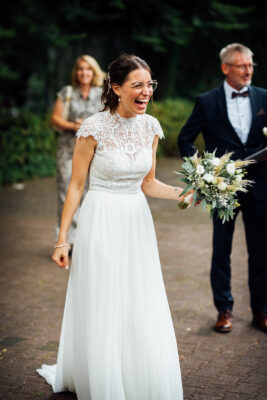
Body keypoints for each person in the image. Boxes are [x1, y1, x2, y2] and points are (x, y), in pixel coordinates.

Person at [37, 54, 192, 399]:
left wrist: (183, 193)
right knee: (104, 298)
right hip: (101, 218)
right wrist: (62, 241)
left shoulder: (151, 128)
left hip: (137, 221)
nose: (145, 92)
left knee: (138, 298)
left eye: (149, 85)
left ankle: (134, 374)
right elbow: (76, 186)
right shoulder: (92, 128)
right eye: (136, 85)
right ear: (116, 87)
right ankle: (104, 379)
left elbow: (148, 183)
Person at [178, 43, 267, 334]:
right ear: (226, 68)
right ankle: (224, 310)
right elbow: (185, 139)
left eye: (251, 65)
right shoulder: (206, 101)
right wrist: (203, 169)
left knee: (261, 252)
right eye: (242, 65)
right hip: (222, 188)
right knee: (221, 251)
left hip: (260, 187)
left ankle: (261, 311)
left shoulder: (264, 97)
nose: (248, 70)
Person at [51, 55, 105, 248]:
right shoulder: (67, 92)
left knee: (91, 193)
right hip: (67, 150)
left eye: (88, 69)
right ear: (76, 72)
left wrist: (91, 126)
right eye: (81, 69)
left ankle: (87, 239)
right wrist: (74, 126)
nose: (84, 72)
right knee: (66, 193)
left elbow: (110, 119)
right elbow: (55, 119)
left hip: (94, 152)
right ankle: (66, 240)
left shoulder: (103, 94)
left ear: (94, 71)